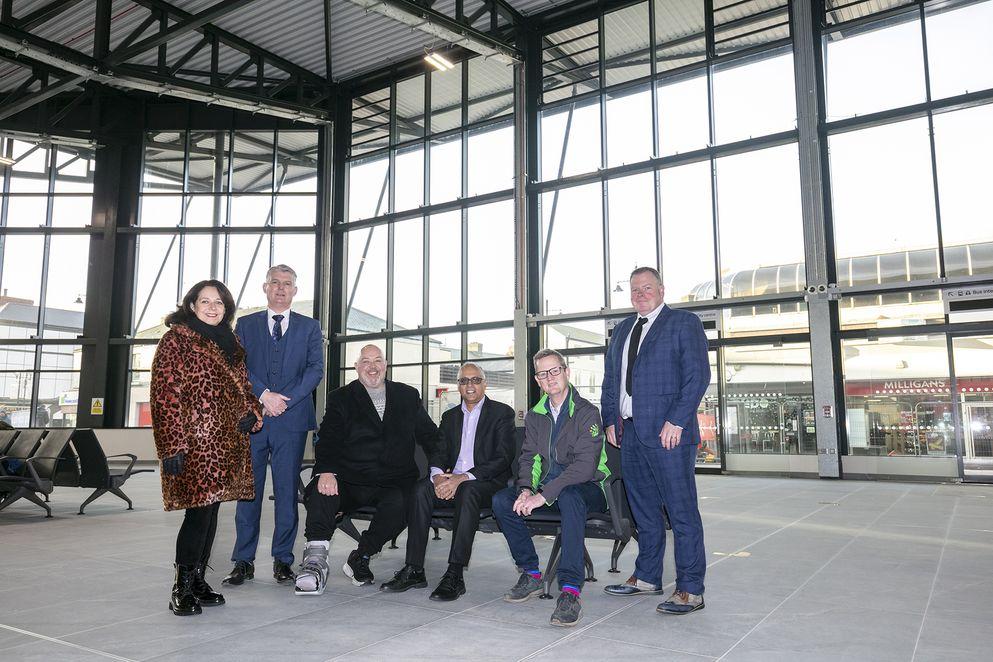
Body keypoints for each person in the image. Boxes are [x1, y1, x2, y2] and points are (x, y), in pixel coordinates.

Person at [601, 266, 711, 615]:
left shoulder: (683, 323)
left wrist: (676, 420)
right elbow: (610, 382)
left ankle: (691, 589)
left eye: (647, 288)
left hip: (669, 435)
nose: (640, 294)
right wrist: (609, 421)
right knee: (644, 512)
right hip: (629, 433)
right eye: (634, 289)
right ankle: (647, 576)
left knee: (681, 513)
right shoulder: (621, 330)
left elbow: (697, 375)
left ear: (662, 290)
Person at [150, 280, 263, 616]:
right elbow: (164, 396)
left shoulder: (230, 341)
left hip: (226, 444)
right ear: (192, 304)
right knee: (197, 514)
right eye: (205, 301)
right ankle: (181, 587)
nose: (213, 308)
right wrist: (172, 445)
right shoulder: (177, 340)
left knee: (212, 512)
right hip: (194, 445)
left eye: (219, 302)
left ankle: (198, 580)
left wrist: (252, 413)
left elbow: (244, 388)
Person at [293, 344, 438, 596]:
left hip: (395, 481)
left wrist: (439, 468)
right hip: (353, 479)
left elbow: (431, 437)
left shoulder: (407, 395)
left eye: (378, 360)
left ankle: (361, 556)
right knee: (321, 490)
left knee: (407, 502)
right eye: (366, 361)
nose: (372, 366)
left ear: (386, 365)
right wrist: (326, 471)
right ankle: (314, 562)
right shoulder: (341, 397)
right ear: (356, 367)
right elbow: (328, 438)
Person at [491, 349, 609, 627]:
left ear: (566, 372)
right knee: (501, 500)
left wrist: (543, 495)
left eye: (555, 370)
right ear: (537, 380)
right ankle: (531, 573)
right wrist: (525, 490)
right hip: (548, 489)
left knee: (569, 497)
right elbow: (528, 457)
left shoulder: (587, 413)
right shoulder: (535, 415)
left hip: (588, 488)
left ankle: (570, 591)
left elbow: (584, 467)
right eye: (543, 374)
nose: (550, 378)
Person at [380, 362, 515, 601]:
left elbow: (503, 458)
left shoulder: (502, 413)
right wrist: (438, 477)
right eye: (464, 381)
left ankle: (454, 574)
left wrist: (462, 478)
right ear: (458, 386)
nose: (469, 385)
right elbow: (439, 452)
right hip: (452, 479)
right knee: (421, 489)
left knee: (467, 491)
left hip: (484, 482)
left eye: (475, 380)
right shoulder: (450, 416)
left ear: (484, 384)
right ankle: (414, 569)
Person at [225, 265, 324, 586]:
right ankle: (243, 561)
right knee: (248, 492)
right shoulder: (246, 324)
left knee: (286, 493)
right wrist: (265, 395)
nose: (281, 288)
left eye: (288, 284)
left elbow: (314, 370)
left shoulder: (310, 327)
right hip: (253, 420)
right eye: (275, 283)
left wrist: (286, 400)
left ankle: (283, 560)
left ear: (295, 291)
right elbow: (237, 366)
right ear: (265, 288)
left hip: (291, 422)